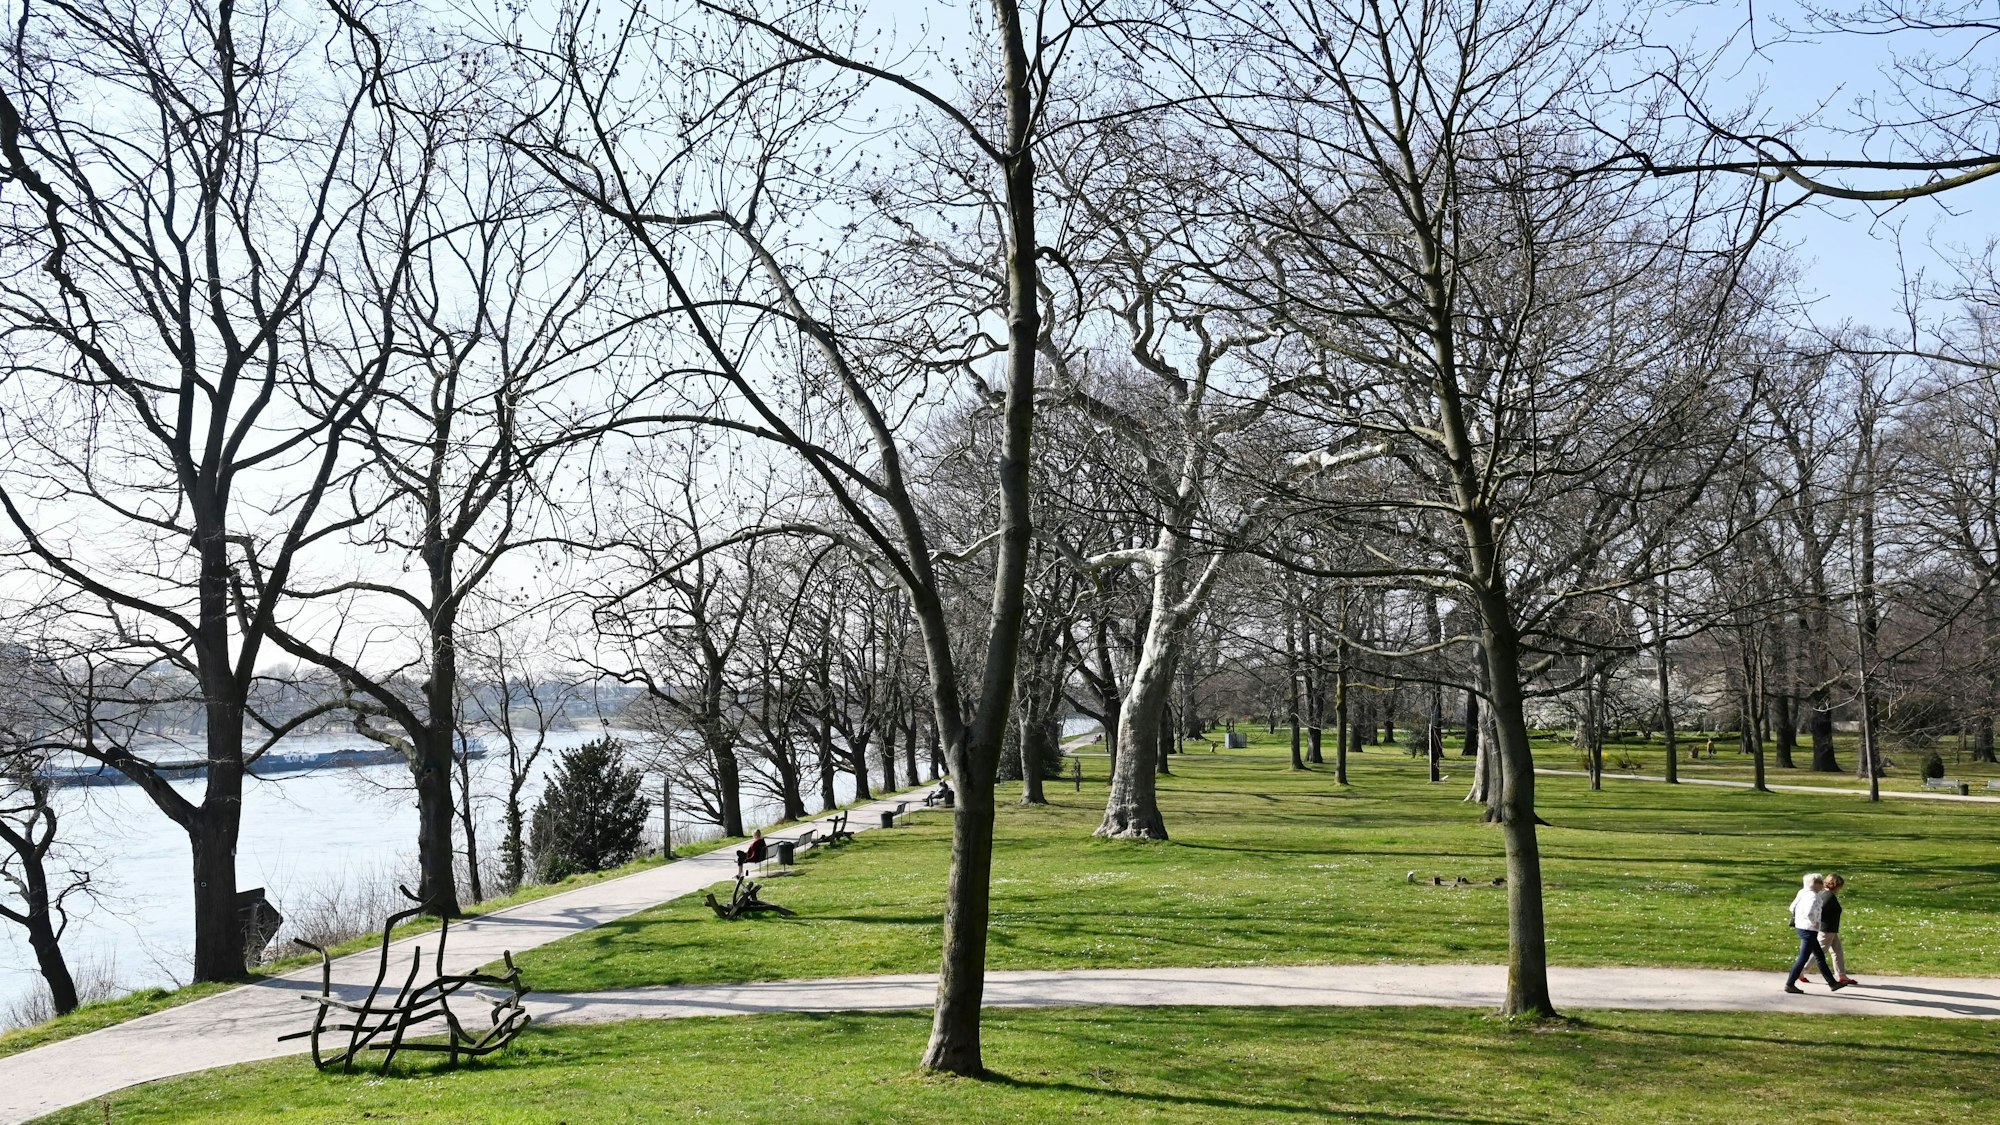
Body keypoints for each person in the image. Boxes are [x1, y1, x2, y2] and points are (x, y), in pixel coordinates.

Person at [1784, 872, 1849, 994]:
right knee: (1803, 958)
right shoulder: (1813, 896)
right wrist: (1814, 922)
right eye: (1820, 882)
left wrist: (1799, 918)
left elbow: (1792, 907)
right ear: (1815, 884)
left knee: (1820, 957)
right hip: (1809, 929)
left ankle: (1833, 983)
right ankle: (1790, 984)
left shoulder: (1803, 892)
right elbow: (1809, 912)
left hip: (1804, 928)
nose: (1823, 884)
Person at [1805, 873, 1857, 986]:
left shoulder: (1825, 894)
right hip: (1827, 930)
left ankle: (1841, 975)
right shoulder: (1828, 896)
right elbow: (1820, 911)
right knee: (1819, 952)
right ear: (1836, 885)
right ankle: (1800, 971)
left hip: (1831, 930)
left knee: (1837, 951)